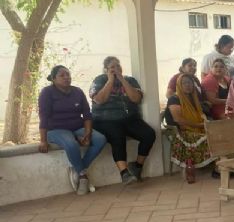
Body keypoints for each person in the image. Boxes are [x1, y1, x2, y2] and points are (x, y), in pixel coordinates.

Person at [38, 64, 107, 195]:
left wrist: (87, 133)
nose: (66, 77)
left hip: (77, 126)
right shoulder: (47, 92)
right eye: (62, 75)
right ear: (53, 79)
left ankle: (78, 169)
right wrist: (42, 140)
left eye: (68, 74)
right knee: (71, 144)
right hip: (56, 129)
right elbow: (43, 116)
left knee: (100, 139)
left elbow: (87, 114)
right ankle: (83, 176)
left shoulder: (77, 92)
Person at [89, 56, 156, 184]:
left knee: (149, 134)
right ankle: (124, 173)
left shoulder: (130, 80)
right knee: (117, 135)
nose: (116, 69)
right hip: (105, 120)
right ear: (106, 70)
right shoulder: (99, 80)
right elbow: (99, 99)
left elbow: (136, 99)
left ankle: (137, 166)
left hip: (129, 118)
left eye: (118, 66)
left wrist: (121, 79)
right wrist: (110, 81)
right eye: (112, 67)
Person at [164, 74, 215, 183]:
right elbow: (178, 120)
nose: (188, 85)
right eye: (185, 83)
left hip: (195, 128)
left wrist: (204, 122)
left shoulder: (193, 98)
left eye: (190, 83)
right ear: (179, 85)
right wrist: (200, 126)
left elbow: (199, 115)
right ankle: (189, 168)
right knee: (207, 137)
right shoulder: (174, 98)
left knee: (218, 134)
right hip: (180, 131)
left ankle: (219, 167)